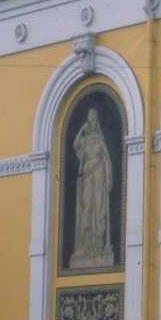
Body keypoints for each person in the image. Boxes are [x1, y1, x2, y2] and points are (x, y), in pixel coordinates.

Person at [70, 108, 112, 267]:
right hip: (88, 175)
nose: (91, 122)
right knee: (86, 207)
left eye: (93, 120)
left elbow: (106, 159)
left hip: (99, 173)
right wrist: (81, 130)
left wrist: (108, 177)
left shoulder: (99, 138)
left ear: (97, 121)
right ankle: (83, 245)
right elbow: (74, 145)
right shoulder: (85, 139)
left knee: (98, 206)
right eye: (89, 120)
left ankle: (98, 245)